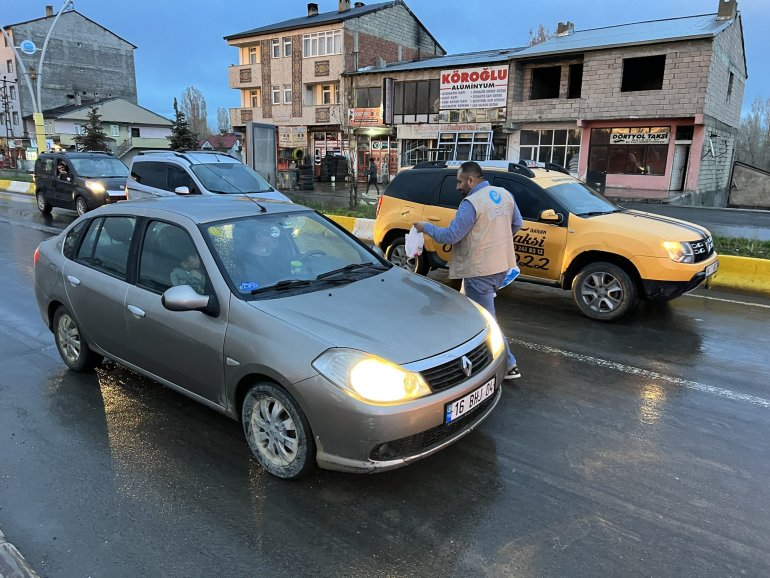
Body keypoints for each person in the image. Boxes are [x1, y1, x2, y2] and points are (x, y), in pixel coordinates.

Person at [414, 161, 523, 380]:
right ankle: (474, 356)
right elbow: (517, 223)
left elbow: (451, 236)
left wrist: (425, 227)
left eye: (460, 181)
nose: (458, 186)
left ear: (471, 180)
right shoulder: (504, 194)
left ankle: (508, 364)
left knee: (486, 320)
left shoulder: (471, 202)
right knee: (473, 313)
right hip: (501, 265)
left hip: (479, 269)